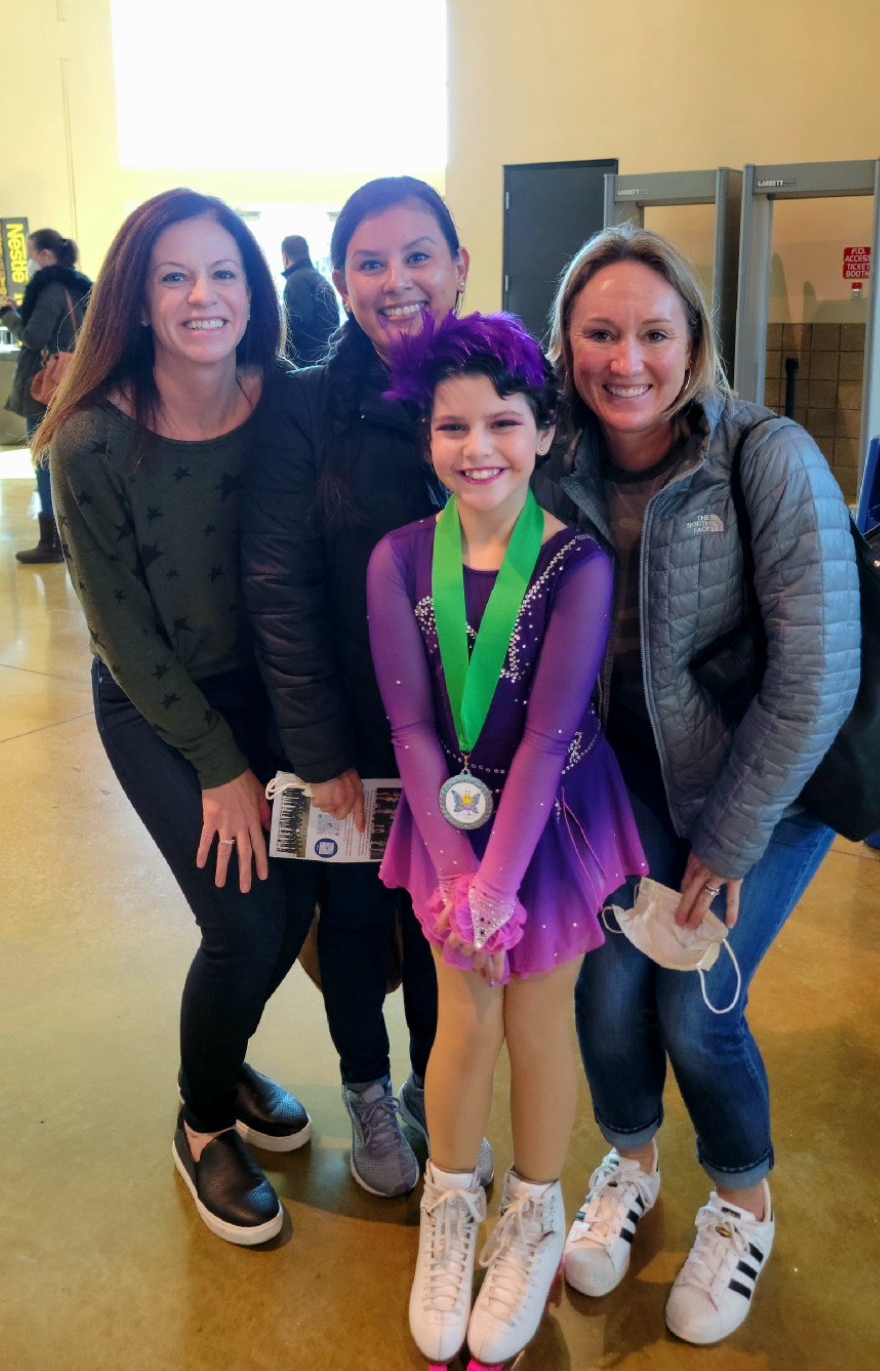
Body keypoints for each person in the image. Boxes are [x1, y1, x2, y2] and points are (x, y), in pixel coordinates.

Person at [547, 223, 861, 1344]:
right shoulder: (549, 460)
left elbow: (816, 672)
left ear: (692, 343)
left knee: (689, 997)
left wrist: (725, 843)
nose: (623, 359)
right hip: (621, 794)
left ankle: (739, 1199)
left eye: (650, 332)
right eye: (598, 332)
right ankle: (627, 1166)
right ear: (564, 342)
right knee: (603, 990)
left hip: (758, 793)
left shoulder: (761, 456)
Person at [366, 312, 648, 1367]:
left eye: (500, 422)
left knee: (537, 1020)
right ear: (426, 438)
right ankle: (451, 1205)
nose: (475, 447)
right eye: (451, 427)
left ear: (539, 433)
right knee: (460, 1022)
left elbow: (546, 731)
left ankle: (529, 1214)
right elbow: (408, 727)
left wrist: (498, 890)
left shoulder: (574, 564)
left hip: (555, 818)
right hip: (449, 825)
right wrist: (454, 882)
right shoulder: (396, 561)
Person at [41, 188, 319, 1247]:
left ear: (252, 290)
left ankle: (223, 1053)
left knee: (289, 910)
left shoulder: (284, 401)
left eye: (222, 274)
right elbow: (119, 630)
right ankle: (202, 1122)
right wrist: (217, 765)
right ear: (139, 298)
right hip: (161, 705)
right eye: (174, 275)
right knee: (243, 917)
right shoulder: (93, 443)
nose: (203, 296)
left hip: (276, 694)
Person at [242, 176, 492, 1199]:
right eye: (372, 262)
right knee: (349, 924)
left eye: (417, 255)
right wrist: (315, 748)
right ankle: (365, 1092)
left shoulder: (491, 394)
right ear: (342, 281)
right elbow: (279, 588)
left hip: (468, 742)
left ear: (458, 264)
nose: (397, 281)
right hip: (342, 737)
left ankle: (441, 1091)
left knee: (445, 929)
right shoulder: (305, 408)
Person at [0, 229, 92, 563]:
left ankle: (51, 542)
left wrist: (7, 315)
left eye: (32, 254)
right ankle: (81, 534)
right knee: (74, 456)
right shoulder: (81, 285)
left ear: (47, 256)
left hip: (47, 386)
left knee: (44, 459)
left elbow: (34, 338)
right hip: (78, 381)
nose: (30, 262)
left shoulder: (49, 290)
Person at [280, 234, 339, 367]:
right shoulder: (321, 280)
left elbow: (295, 324)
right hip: (327, 360)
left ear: (285, 256)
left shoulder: (295, 281)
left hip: (305, 365)